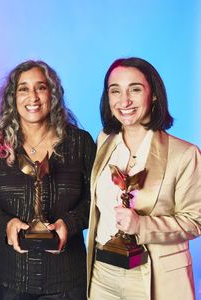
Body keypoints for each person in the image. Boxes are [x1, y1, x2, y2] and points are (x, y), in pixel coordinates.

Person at [0, 60, 96, 300]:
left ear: (53, 94)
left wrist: (68, 224)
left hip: (67, 278)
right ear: (12, 97)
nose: (33, 96)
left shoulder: (79, 143)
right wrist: (5, 224)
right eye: (23, 88)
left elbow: (94, 199)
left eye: (41, 87)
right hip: (8, 277)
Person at [86, 57, 201, 300]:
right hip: (103, 273)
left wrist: (142, 226)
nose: (124, 101)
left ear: (154, 94)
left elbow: (195, 221)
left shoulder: (185, 154)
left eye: (135, 89)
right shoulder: (104, 140)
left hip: (156, 276)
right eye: (115, 91)